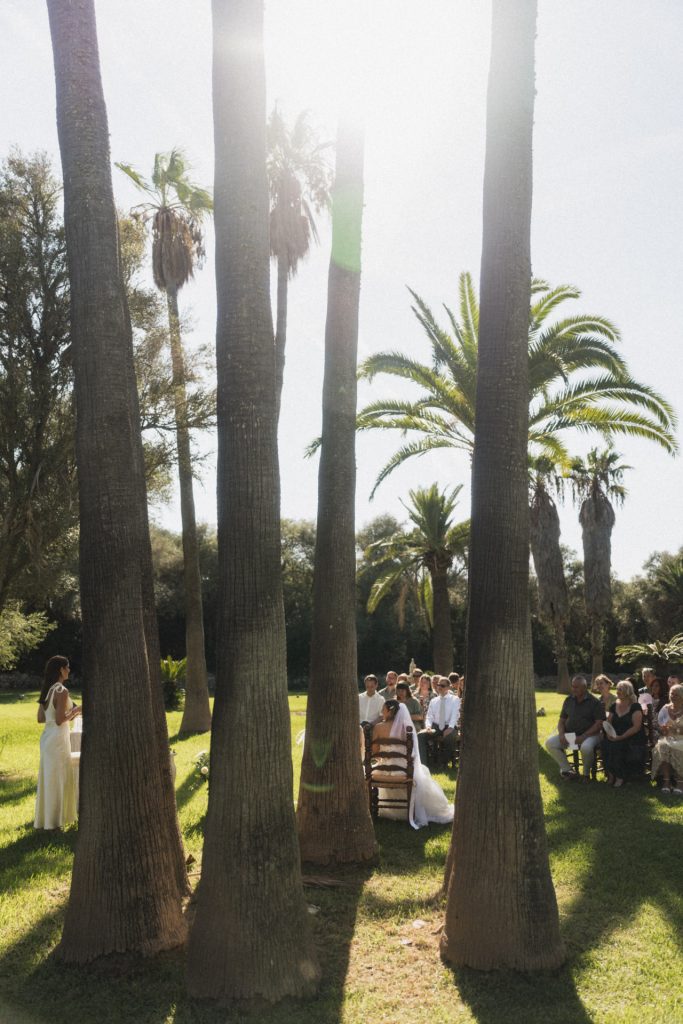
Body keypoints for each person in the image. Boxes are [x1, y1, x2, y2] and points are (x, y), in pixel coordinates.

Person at [371, 700, 453, 828]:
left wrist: (384, 759)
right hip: (404, 769)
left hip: (383, 769)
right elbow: (413, 753)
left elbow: (374, 751)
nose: (382, 712)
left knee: (369, 771)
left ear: (389, 711)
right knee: (423, 772)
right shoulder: (407, 728)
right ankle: (410, 809)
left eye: (383, 709)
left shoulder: (378, 728)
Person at [34, 655, 81, 830]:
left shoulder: (48, 689)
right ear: (61, 669)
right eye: (67, 667)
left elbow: (40, 718)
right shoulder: (62, 691)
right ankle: (56, 823)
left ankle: (48, 821)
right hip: (58, 740)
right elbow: (61, 719)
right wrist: (76, 710)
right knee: (58, 778)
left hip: (47, 737)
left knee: (49, 779)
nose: (69, 670)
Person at [545, 675, 605, 782]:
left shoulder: (595, 702)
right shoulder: (569, 700)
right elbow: (562, 720)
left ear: (584, 688)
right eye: (572, 686)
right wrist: (562, 734)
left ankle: (586, 774)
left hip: (591, 735)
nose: (573, 689)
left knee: (586, 747)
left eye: (576, 687)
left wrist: (583, 736)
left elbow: (599, 724)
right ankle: (568, 771)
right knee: (550, 743)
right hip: (572, 736)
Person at [601, 680, 646, 787]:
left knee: (618, 746)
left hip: (631, 736)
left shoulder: (635, 706)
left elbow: (636, 727)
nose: (617, 692)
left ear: (627, 691)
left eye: (620, 689)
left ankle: (620, 776)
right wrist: (608, 734)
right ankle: (611, 774)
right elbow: (608, 723)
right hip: (614, 734)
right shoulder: (614, 705)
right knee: (606, 744)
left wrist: (620, 737)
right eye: (617, 689)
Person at [418, 677, 460, 765]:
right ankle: (423, 764)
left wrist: (450, 728)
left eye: (442, 685)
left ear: (448, 687)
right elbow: (429, 716)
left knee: (450, 737)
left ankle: (443, 762)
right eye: (438, 685)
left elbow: (455, 716)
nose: (439, 687)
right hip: (436, 726)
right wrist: (428, 726)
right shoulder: (434, 701)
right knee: (420, 736)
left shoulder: (455, 699)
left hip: (450, 725)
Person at [651, 683, 683, 794]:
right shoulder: (665, 708)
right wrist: (664, 729)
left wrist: (678, 730)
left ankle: (680, 783)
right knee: (663, 746)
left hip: (681, 738)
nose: (673, 696)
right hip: (668, 737)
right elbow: (660, 726)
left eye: (676, 695)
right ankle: (666, 781)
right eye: (671, 694)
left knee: (679, 748)